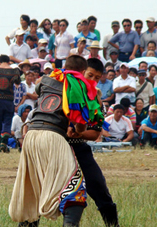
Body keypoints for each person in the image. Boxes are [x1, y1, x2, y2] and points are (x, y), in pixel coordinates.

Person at [9, 55, 95, 227]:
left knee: (33, 187)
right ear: (83, 71)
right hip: (53, 135)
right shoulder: (78, 85)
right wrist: (77, 132)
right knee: (75, 187)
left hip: (31, 136)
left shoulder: (46, 80)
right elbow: (80, 123)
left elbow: (42, 91)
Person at [65, 58, 119, 226]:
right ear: (81, 73)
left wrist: (77, 135)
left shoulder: (96, 99)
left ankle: (112, 224)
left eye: (96, 78)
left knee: (98, 185)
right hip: (56, 145)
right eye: (89, 75)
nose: (92, 80)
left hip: (78, 145)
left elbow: (95, 133)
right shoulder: (65, 87)